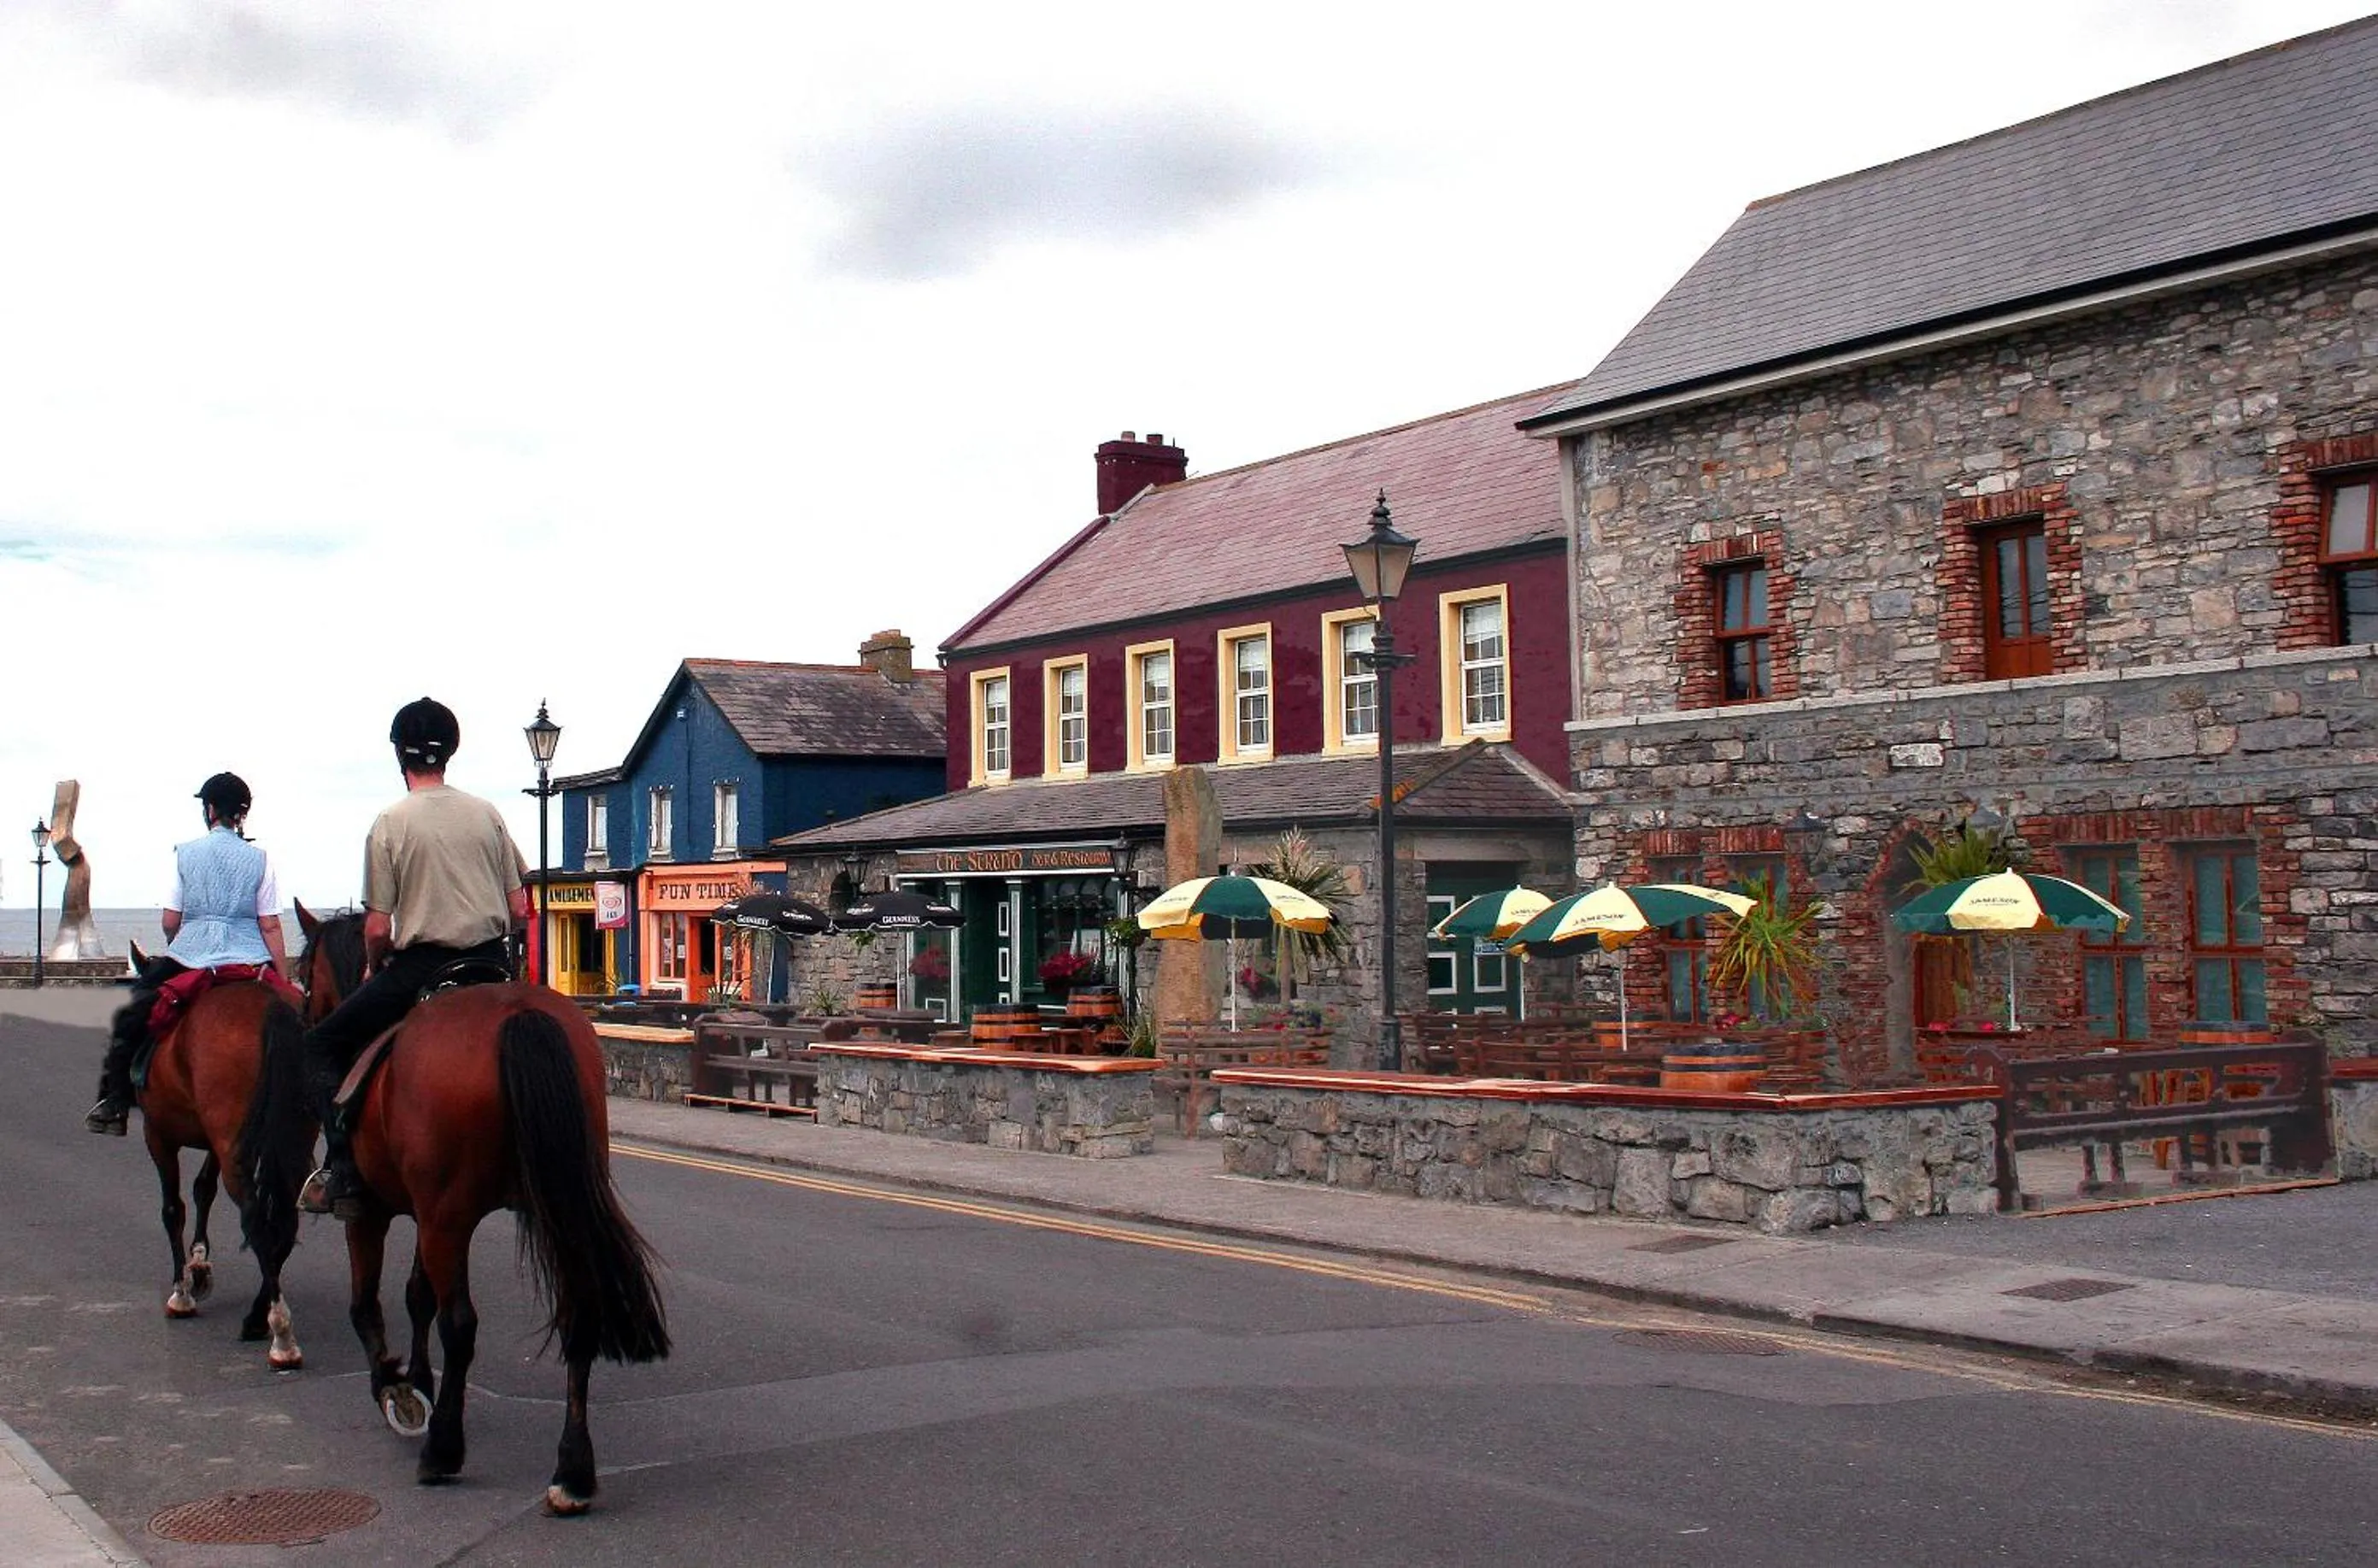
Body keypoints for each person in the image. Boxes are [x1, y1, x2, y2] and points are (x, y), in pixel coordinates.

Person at [299, 697, 531, 1219]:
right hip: (492, 966)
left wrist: (371, 961)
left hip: (424, 966)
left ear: (398, 757)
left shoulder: (390, 822)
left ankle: (343, 1171)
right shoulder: (487, 813)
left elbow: (378, 927)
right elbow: (520, 908)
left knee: (319, 1047)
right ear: (449, 751)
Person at [87, 773, 292, 1135]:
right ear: (242, 814)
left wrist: (181, 944)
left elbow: (170, 921)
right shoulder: (260, 859)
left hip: (191, 953)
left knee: (133, 1014)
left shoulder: (186, 853)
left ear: (210, 809)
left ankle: (115, 1101)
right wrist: (283, 978)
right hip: (248, 957)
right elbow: (271, 925)